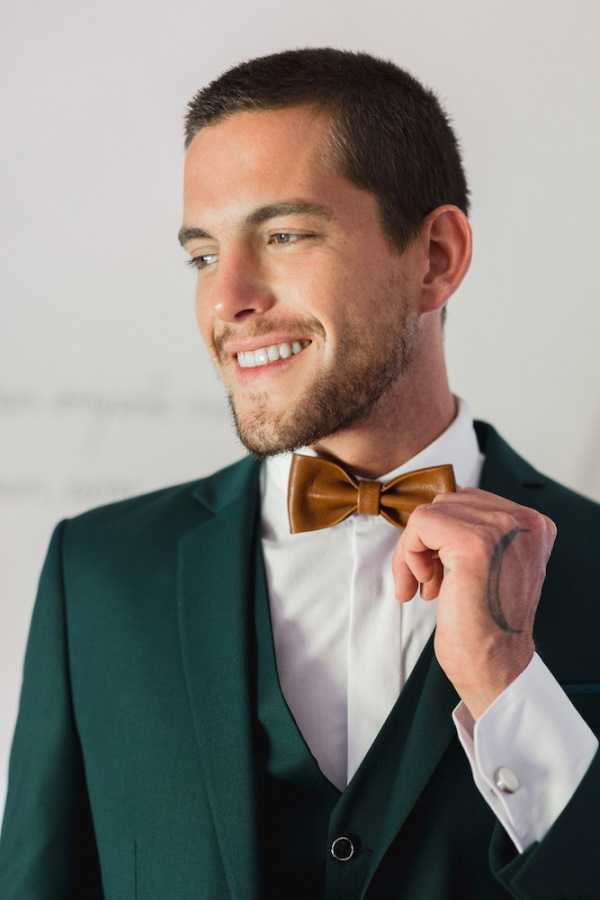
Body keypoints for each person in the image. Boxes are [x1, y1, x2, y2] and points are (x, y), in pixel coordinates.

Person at [1, 46, 599, 900]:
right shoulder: (96, 576)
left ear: (435, 256)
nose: (227, 299)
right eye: (203, 255)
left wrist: (510, 687)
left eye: (284, 235)